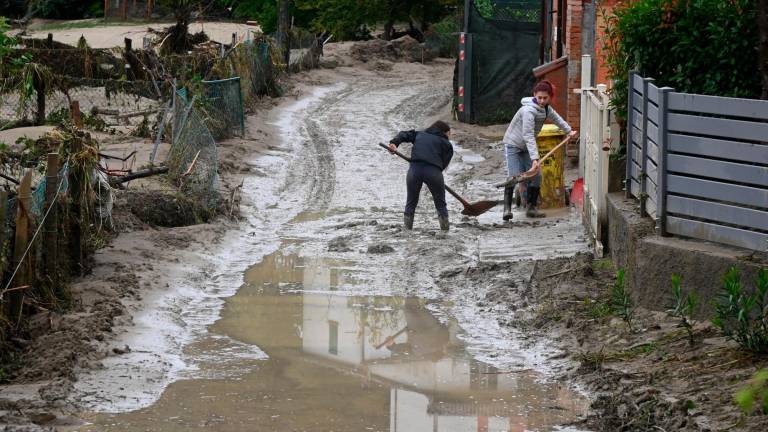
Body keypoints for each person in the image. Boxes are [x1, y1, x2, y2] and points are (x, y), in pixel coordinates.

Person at [501, 80, 577, 220]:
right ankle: (506, 210)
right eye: (539, 97)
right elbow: (528, 135)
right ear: (534, 95)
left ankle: (531, 208)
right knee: (514, 176)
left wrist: (569, 131)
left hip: (526, 147)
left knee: (536, 176)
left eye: (545, 98)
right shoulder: (528, 111)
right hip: (513, 145)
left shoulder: (546, 108)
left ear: (550, 97)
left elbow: (557, 119)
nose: (541, 101)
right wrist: (535, 159)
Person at [388, 121, 454, 231]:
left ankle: (407, 231)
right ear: (444, 132)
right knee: (440, 204)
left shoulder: (419, 134)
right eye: (449, 133)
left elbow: (403, 134)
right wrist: (435, 175)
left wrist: (394, 143)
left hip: (414, 170)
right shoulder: (447, 144)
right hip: (434, 172)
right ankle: (445, 231)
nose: (450, 136)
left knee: (411, 202)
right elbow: (443, 164)